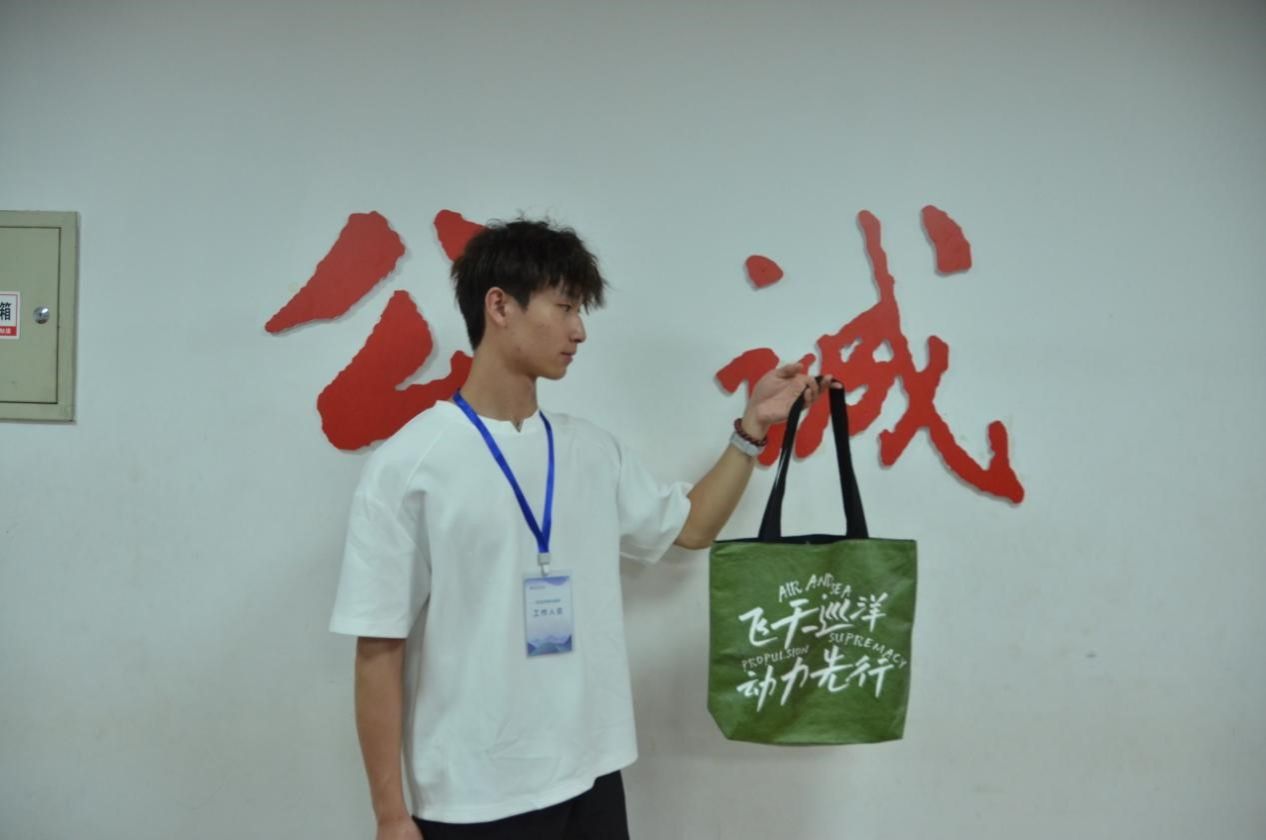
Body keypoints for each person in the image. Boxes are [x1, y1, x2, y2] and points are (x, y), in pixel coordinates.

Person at [329, 219, 835, 839]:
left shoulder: (591, 452)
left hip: (591, 773)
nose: (579, 331)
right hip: (475, 794)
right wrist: (390, 814)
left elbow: (692, 527)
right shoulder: (410, 465)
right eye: (565, 307)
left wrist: (752, 427)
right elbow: (379, 646)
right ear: (500, 307)